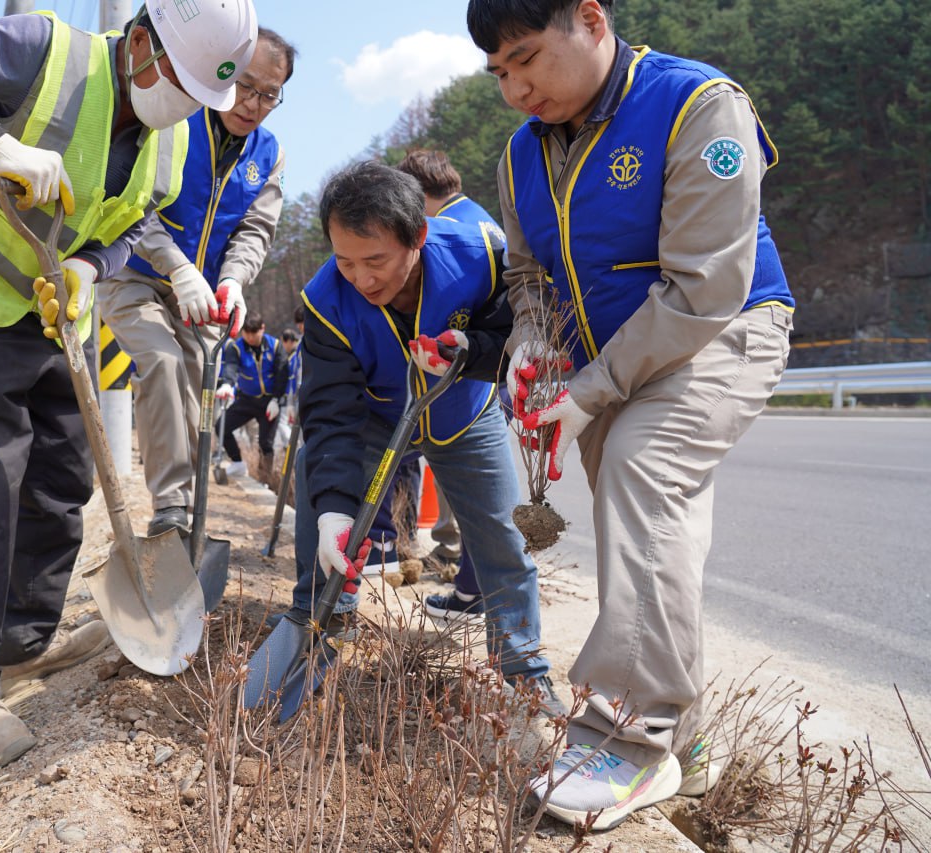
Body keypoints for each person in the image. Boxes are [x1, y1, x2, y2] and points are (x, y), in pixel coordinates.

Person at [0, 0, 257, 771]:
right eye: (176, 82)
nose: (181, 106)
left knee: (60, 480)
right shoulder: (44, 49)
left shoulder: (173, 138)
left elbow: (131, 221)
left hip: (53, 313)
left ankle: (20, 641)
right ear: (140, 42)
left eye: (197, 97)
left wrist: (91, 266)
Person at [467, 0, 795, 830]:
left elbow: (706, 288)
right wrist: (536, 351)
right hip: (611, 364)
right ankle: (689, 736)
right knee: (641, 519)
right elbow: (531, 279)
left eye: (529, 59)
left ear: (591, 19)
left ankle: (633, 734)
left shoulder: (697, 106)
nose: (515, 89)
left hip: (726, 330)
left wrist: (584, 393)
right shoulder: (520, 155)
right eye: (498, 72)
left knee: (643, 467)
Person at [287, 159, 563, 714]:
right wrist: (337, 511)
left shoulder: (481, 254)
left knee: (503, 543)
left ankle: (523, 677)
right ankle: (313, 641)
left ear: (418, 236)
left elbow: (515, 326)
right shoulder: (325, 303)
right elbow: (330, 417)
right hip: (374, 422)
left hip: (464, 416)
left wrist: (472, 352)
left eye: (376, 261)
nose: (362, 279)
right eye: (345, 261)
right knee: (323, 516)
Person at [102, 28, 296, 538]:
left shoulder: (268, 152)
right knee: (163, 364)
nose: (253, 104)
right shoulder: (173, 120)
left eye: (269, 95)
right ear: (222, 71)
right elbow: (134, 206)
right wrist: (178, 267)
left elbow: (256, 228)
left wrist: (232, 281)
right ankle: (170, 506)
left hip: (205, 294)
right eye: (246, 85)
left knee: (200, 392)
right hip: (135, 273)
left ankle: (189, 516)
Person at [395, 148, 509, 623]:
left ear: (417, 199)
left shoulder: (456, 232)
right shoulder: (482, 220)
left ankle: (468, 591)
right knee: (480, 504)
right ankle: (469, 589)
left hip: (473, 381)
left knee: (474, 499)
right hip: (487, 371)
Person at [217, 312, 288, 482]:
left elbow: (282, 373)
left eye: (253, 333)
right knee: (221, 426)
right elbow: (231, 367)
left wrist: (277, 399)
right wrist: (227, 383)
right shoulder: (236, 347)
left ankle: (265, 479)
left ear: (262, 329)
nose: (249, 337)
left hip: (269, 402)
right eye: (246, 332)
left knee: (266, 444)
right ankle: (237, 463)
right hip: (246, 399)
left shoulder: (275, 346)